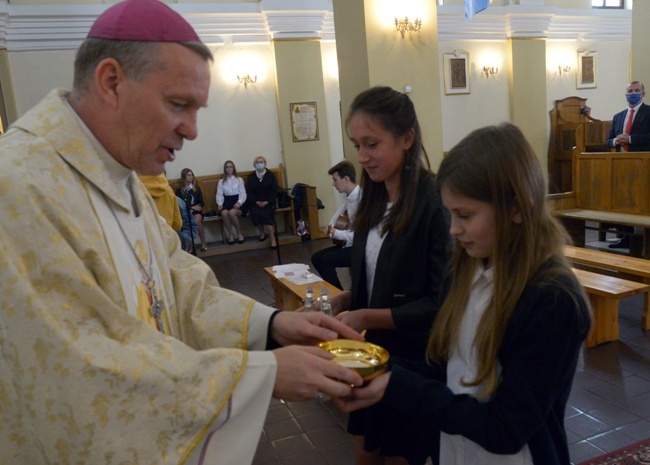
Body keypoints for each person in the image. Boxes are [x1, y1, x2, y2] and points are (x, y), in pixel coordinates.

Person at [0, 1, 364, 463]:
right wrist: (260, 374)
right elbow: (78, 372)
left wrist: (271, 325)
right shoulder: (18, 187)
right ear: (111, 82)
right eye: (178, 104)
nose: (191, 129)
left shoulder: (118, 173)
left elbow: (176, 282)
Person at [334, 123, 592, 465]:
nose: (454, 229)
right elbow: (452, 371)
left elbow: (506, 429)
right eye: (450, 214)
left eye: (465, 215)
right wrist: (375, 369)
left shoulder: (552, 299)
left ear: (516, 207)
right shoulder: (469, 269)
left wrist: (400, 387)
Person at [326, 86, 451, 464]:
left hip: (415, 360)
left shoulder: (435, 202)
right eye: (356, 145)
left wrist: (365, 316)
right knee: (366, 454)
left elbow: (441, 302)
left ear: (407, 139)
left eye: (372, 144)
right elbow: (381, 276)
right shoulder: (373, 198)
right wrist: (349, 300)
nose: (362, 156)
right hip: (375, 354)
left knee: (400, 455)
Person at [605, 81, 650, 249]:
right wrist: (616, 140)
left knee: (641, 201)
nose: (633, 93)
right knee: (622, 201)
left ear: (643, 94)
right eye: (630, 91)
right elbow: (608, 140)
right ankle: (626, 237)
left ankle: (643, 239)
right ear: (626, 95)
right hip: (621, 165)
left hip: (643, 165)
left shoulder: (648, 112)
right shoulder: (618, 116)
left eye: (637, 91)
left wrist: (630, 139)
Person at [310, 159, 361, 289]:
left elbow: (360, 236)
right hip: (350, 244)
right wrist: (331, 226)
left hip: (361, 248)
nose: (333, 184)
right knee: (317, 258)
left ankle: (339, 297)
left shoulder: (361, 199)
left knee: (327, 260)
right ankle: (337, 294)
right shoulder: (351, 197)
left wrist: (336, 233)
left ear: (346, 179)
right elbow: (339, 212)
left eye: (335, 179)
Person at [246, 155, 278, 249]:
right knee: (255, 213)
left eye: (261, 162)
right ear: (254, 164)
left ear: (265, 163)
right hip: (256, 202)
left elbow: (274, 191)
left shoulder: (270, 175)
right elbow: (249, 191)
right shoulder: (251, 177)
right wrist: (256, 201)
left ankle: (272, 239)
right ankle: (262, 232)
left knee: (266, 214)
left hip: (268, 202)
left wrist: (267, 201)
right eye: (257, 162)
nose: (259, 164)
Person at [176, 167, 209, 251]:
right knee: (188, 223)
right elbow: (180, 203)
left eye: (192, 175)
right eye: (188, 175)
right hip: (186, 212)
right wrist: (190, 208)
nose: (191, 177)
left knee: (197, 221)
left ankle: (203, 243)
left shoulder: (196, 188)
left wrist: (195, 208)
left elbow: (201, 202)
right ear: (184, 177)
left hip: (197, 211)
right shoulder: (180, 190)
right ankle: (190, 245)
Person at [216, 160, 247, 245]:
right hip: (227, 201)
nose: (229, 169)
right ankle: (231, 234)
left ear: (233, 168)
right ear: (225, 169)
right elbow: (219, 194)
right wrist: (220, 204)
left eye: (231, 167)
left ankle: (240, 233)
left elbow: (243, 193)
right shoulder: (221, 181)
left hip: (238, 200)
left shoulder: (239, 180)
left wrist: (239, 202)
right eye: (227, 167)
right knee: (224, 213)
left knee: (231, 213)